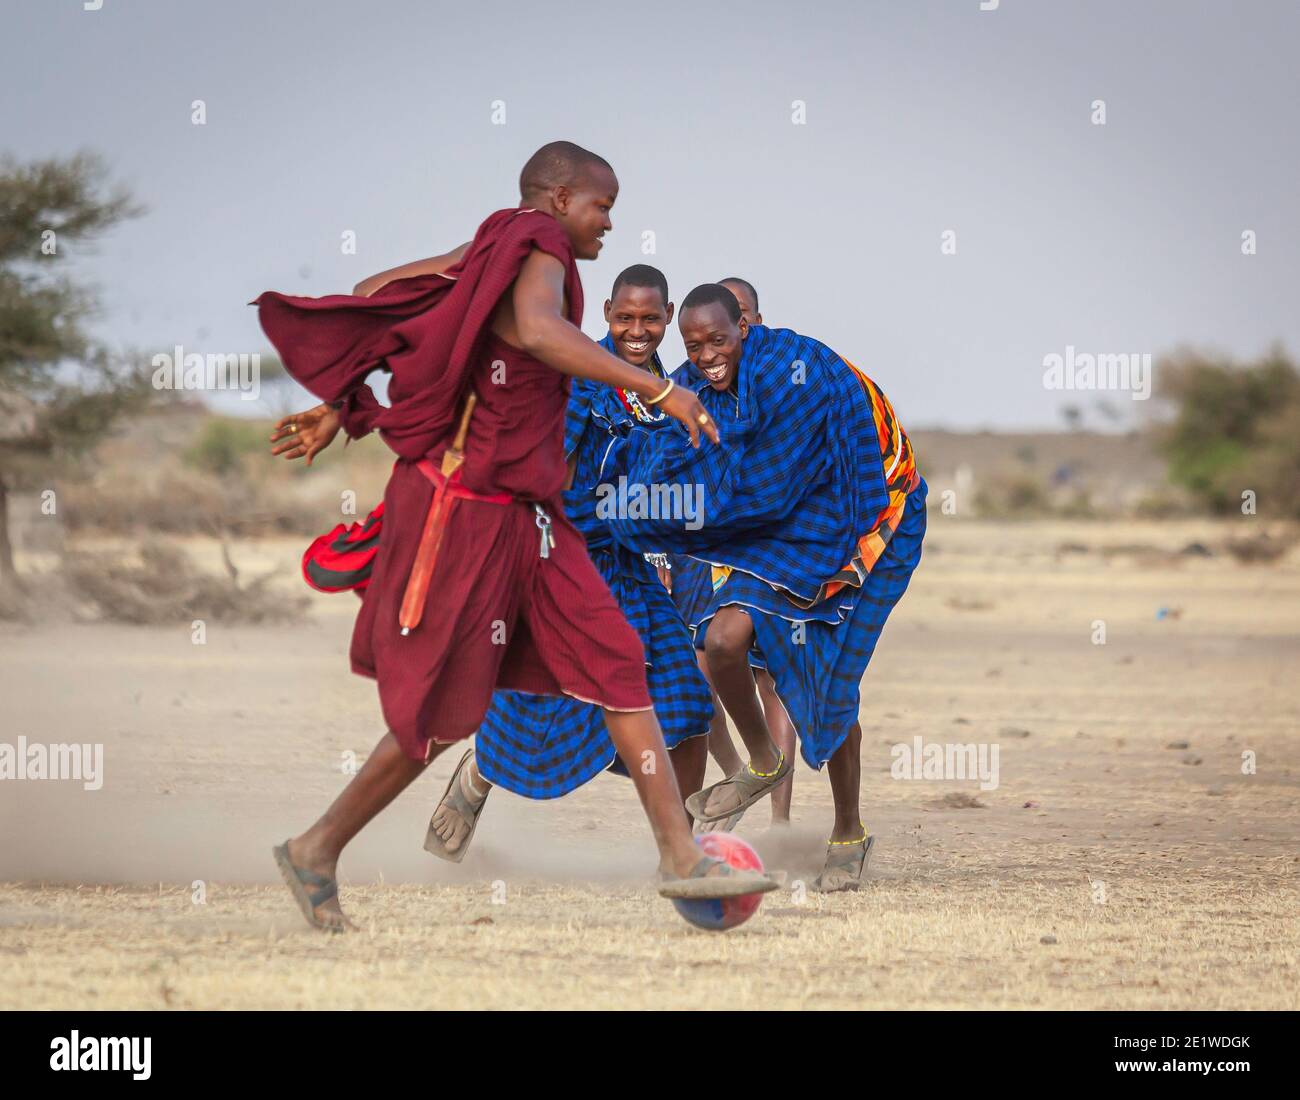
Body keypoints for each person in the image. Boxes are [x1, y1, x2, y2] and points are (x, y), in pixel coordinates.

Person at [254, 144, 774, 930]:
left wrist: (344, 401)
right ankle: (318, 847)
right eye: (602, 206)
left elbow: (380, 292)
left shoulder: (495, 248)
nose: (609, 222)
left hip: (537, 521)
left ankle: (678, 856)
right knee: (443, 704)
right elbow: (533, 329)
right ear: (562, 199)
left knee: (617, 659)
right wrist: (657, 387)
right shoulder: (538, 245)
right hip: (471, 514)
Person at [604, 283, 926, 891]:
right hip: (786, 531)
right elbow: (660, 453)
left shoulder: (797, 374)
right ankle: (763, 760)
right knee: (722, 643)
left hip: (871, 516)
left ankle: (848, 832)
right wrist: (626, 507)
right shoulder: (694, 382)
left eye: (719, 338)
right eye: (693, 344)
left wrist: (707, 512)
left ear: (748, 327)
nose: (705, 355)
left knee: (826, 684)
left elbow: (768, 489)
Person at [425, 264, 713, 860]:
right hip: (571, 560)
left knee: (685, 703)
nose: (638, 329)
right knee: (543, 701)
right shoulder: (584, 376)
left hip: (633, 566)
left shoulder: (674, 390)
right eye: (625, 317)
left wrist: (660, 542)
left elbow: (672, 483)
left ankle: (681, 852)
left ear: (667, 319)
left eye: (651, 319)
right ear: (606, 312)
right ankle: (478, 773)